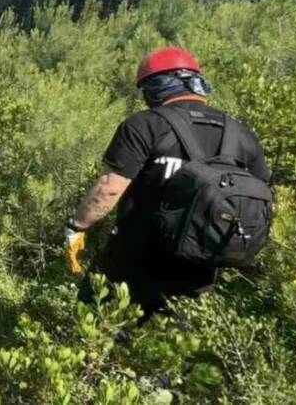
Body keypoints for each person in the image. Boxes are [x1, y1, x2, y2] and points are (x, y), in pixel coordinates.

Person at [65, 47, 270, 319]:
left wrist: (77, 227)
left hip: (134, 258)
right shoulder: (241, 134)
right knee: (176, 341)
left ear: (154, 88)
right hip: (200, 263)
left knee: (97, 322)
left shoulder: (144, 125)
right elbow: (264, 198)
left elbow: (109, 189)